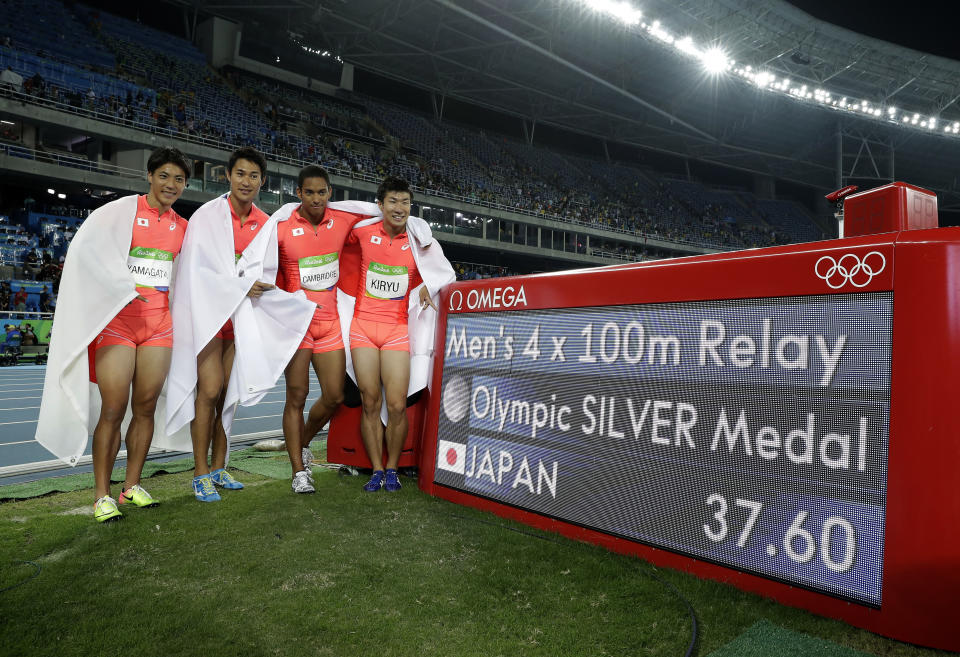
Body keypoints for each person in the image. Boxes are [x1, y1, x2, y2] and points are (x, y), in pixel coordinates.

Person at [35, 146, 191, 522]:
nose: (171, 184)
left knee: (147, 405)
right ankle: (101, 494)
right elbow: (86, 253)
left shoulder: (184, 228)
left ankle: (132, 485)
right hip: (118, 325)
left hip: (159, 326)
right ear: (150, 176)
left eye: (179, 179)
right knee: (113, 407)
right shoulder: (120, 213)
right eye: (165, 176)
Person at [165, 147, 315, 502]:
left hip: (240, 320)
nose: (246, 181)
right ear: (227, 176)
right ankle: (199, 473)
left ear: (262, 181)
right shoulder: (207, 216)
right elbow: (196, 272)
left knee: (228, 398)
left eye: (253, 176)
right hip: (208, 318)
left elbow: (266, 274)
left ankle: (219, 467)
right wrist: (239, 286)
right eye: (240, 174)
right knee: (210, 390)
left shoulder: (266, 224)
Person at [273, 165, 380, 493]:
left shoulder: (343, 220)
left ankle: (301, 442)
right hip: (298, 326)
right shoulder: (280, 228)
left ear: (330, 193)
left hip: (330, 324)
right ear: (299, 194)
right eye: (310, 193)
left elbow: (381, 218)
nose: (316, 198)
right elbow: (257, 261)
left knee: (334, 395)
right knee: (297, 395)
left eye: (322, 192)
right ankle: (298, 472)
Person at [345, 177, 455, 492]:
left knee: (396, 404)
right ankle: (377, 470)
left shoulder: (420, 241)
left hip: (396, 330)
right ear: (380, 205)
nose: (400, 208)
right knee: (369, 401)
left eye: (405, 202)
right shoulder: (363, 232)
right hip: (363, 327)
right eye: (393, 201)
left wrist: (426, 287)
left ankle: (392, 468)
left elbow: (443, 273)